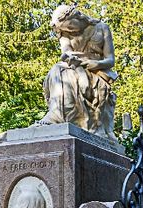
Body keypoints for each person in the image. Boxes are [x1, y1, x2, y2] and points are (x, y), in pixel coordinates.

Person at [38, 4, 118, 140]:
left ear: (77, 17)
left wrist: (96, 64)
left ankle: (65, 118)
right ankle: (56, 115)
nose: (69, 30)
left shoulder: (102, 28)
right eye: (66, 29)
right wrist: (77, 65)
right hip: (75, 68)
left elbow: (110, 60)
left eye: (70, 26)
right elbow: (66, 53)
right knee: (58, 70)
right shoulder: (65, 34)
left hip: (97, 73)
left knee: (64, 72)